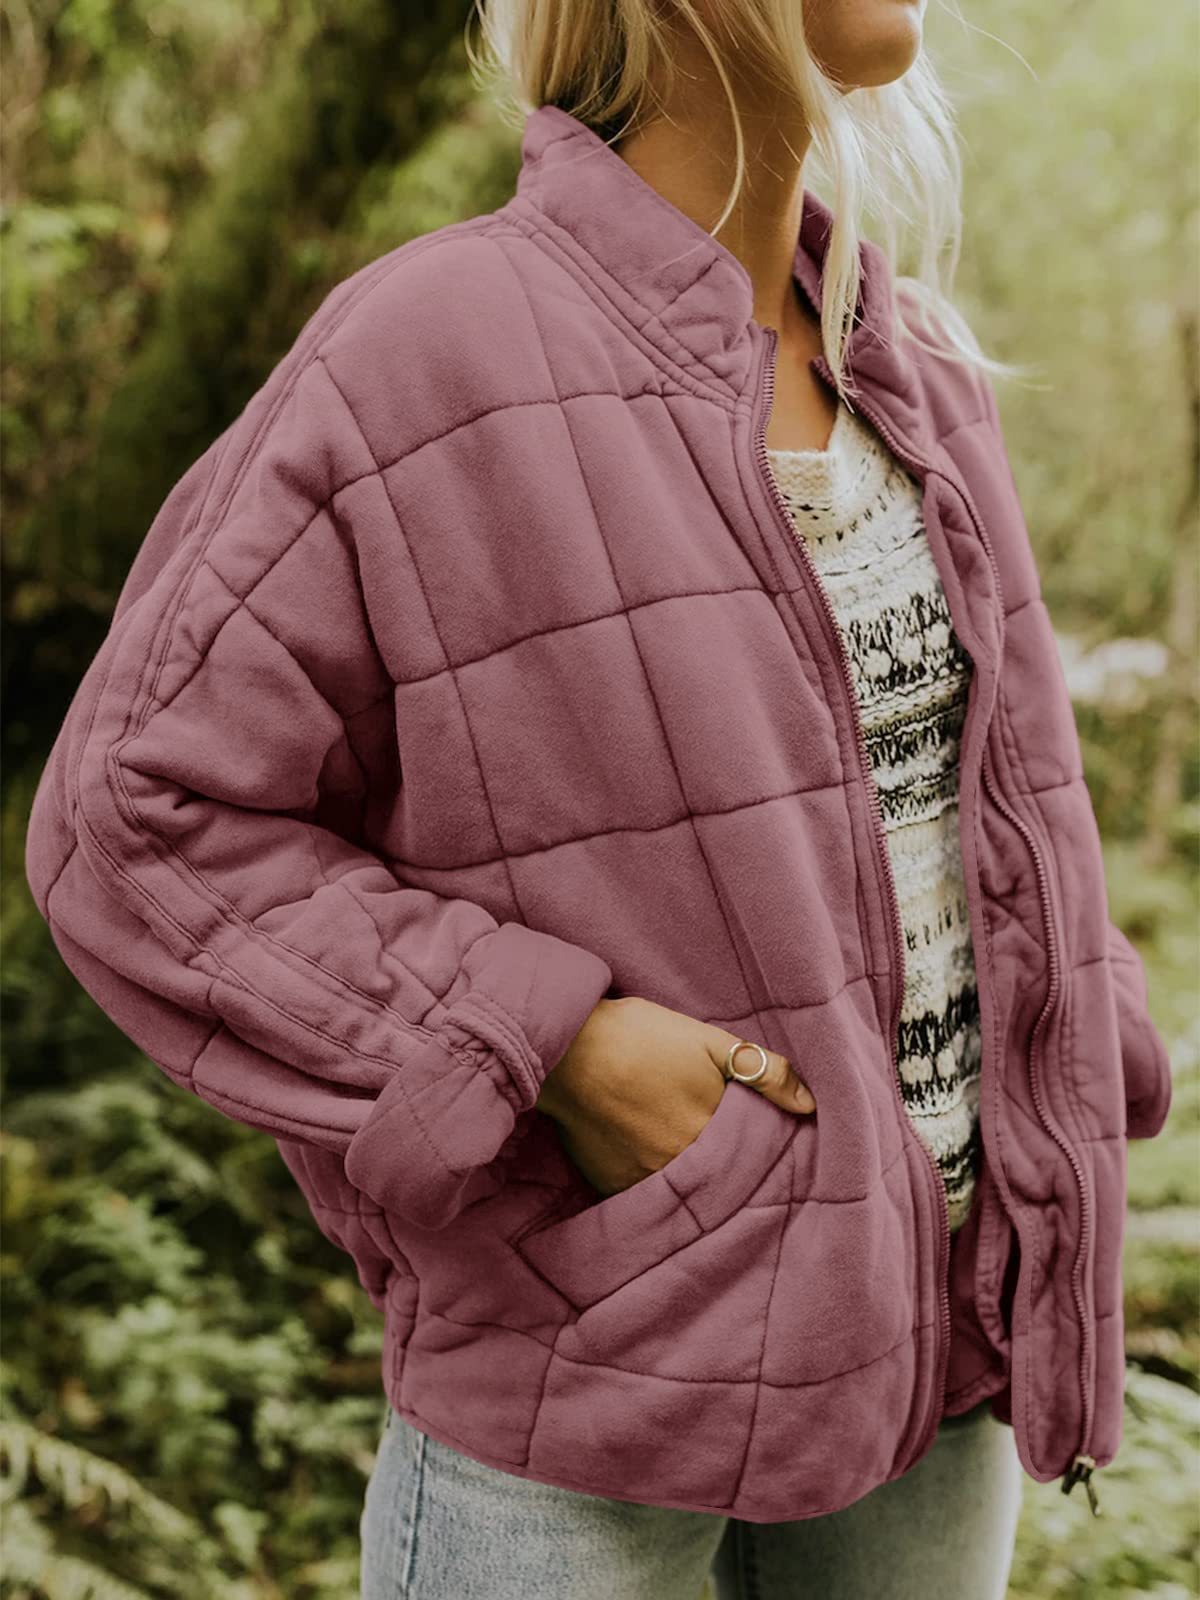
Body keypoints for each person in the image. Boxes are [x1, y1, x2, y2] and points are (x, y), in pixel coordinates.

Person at [24, 0, 1173, 1596]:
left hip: (936, 1344)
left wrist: (1084, 1035)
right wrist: (551, 1045)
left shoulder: (909, 364)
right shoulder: (432, 348)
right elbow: (135, 817)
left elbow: (991, 802)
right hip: (603, 1362)